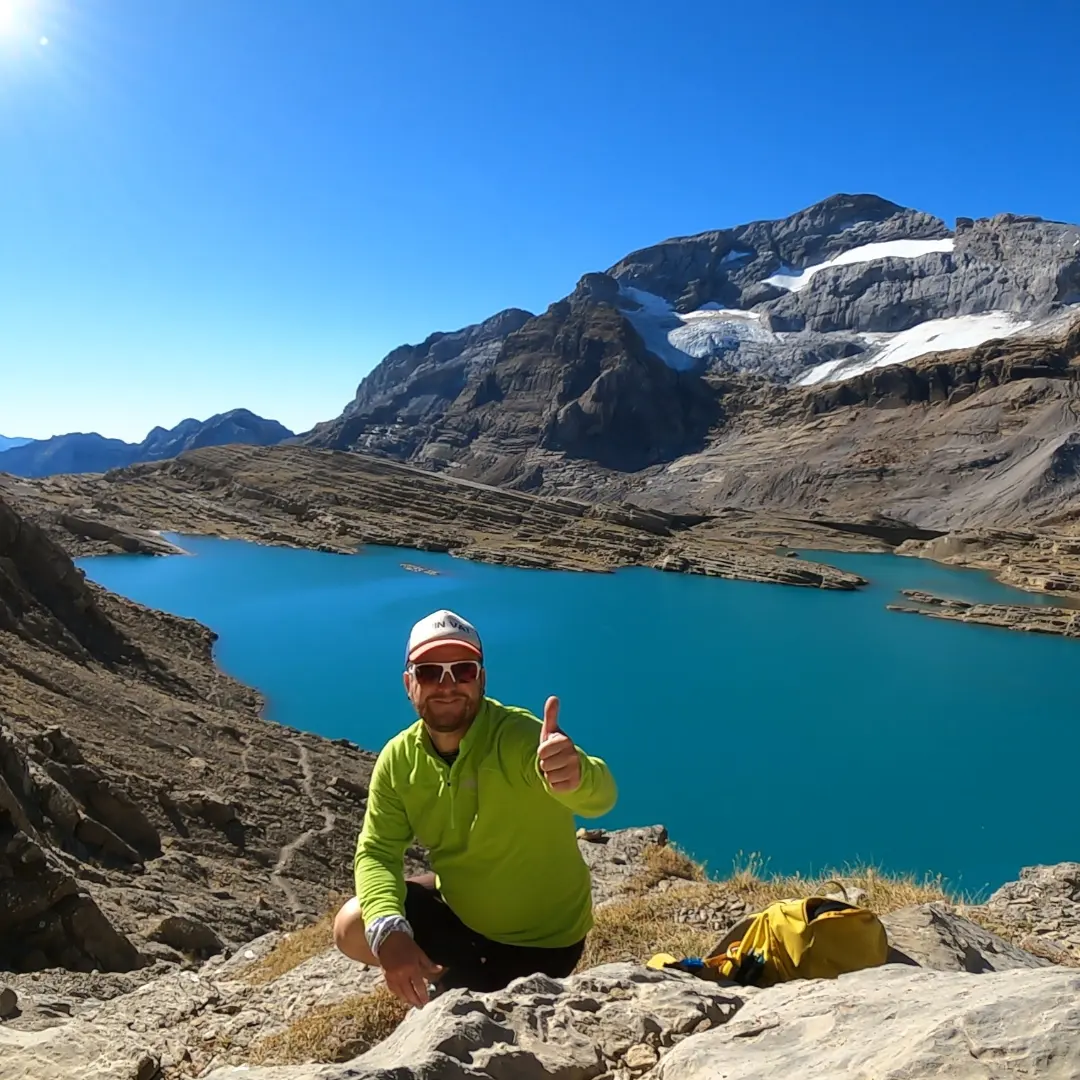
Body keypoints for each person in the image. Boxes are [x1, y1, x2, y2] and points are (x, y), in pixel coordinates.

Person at [333, 609, 617, 1007]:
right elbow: (377, 851)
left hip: (543, 945)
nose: (447, 686)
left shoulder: (519, 738)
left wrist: (576, 776)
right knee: (354, 924)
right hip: (462, 915)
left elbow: (600, 799)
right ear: (409, 684)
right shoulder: (399, 760)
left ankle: (462, 983)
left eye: (463, 671)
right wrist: (389, 931)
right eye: (429, 673)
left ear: (481, 679)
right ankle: (443, 971)